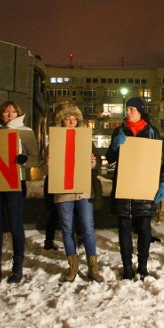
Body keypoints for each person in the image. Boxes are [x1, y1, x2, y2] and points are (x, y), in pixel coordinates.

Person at [105, 97, 164, 280]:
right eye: (128, 108)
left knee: (144, 228)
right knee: (124, 227)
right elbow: (110, 158)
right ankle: (126, 266)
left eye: (133, 109)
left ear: (140, 110)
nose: (129, 112)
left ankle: (142, 266)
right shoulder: (119, 130)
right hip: (124, 185)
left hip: (144, 185)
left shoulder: (151, 132)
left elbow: (160, 161)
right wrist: (115, 146)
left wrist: (162, 182)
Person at [0, 101, 40, 284]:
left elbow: (35, 159)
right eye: (6, 111)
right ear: (0, 114)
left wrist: (24, 160)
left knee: (16, 225)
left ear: (18, 114)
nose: (9, 114)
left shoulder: (25, 131)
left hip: (15, 183)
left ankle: (17, 266)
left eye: (13, 111)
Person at [50, 103, 102, 282]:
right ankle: (72, 266)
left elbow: (98, 166)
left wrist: (93, 162)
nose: (71, 121)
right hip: (63, 190)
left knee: (88, 227)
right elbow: (45, 170)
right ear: (61, 120)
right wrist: (48, 162)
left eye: (74, 118)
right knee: (67, 229)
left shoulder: (85, 139)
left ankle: (93, 266)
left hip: (83, 189)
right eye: (67, 118)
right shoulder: (54, 140)